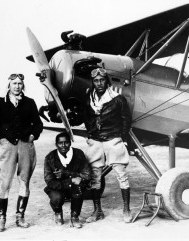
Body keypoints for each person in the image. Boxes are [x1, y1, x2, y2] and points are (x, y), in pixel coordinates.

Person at [0, 73, 43, 232]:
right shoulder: (0, 103)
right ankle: (2, 219)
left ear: (23, 85)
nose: (17, 86)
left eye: (20, 83)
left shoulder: (29, 102)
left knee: (24, 182)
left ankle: (20, 216)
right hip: (8, 146)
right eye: (14, 83)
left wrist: (33, 135)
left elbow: (38, 124)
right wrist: (0, 140)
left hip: (26, 145)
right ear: (9, 85)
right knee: (5, 183)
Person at [84, 67, 133, 223]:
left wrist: (123, 138)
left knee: (122, 175)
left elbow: (126, 120)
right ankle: (97, 211)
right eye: (96, 81)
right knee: (95, 178)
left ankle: (126, 209)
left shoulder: (118, 99)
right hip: (96, 142)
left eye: (102, 80)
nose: (99, 83)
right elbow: (87, 119)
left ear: (107, 81)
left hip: (113, 140)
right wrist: (91, 134)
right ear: (93, 82)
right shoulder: (89, 99)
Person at [44, 132, 91, 228]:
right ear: (56, 144)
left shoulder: (78, 154)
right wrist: (71, 180)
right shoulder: (50, 158)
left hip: (75, 187)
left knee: (78, 189)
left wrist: (67, 173)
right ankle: (58, 212)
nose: (63, 145)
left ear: (70, 143)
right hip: (58, 187)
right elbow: (49, 181)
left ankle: (75, 216)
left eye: (66, 142)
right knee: (56, 197)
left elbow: (87, 175)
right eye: (60, 143)